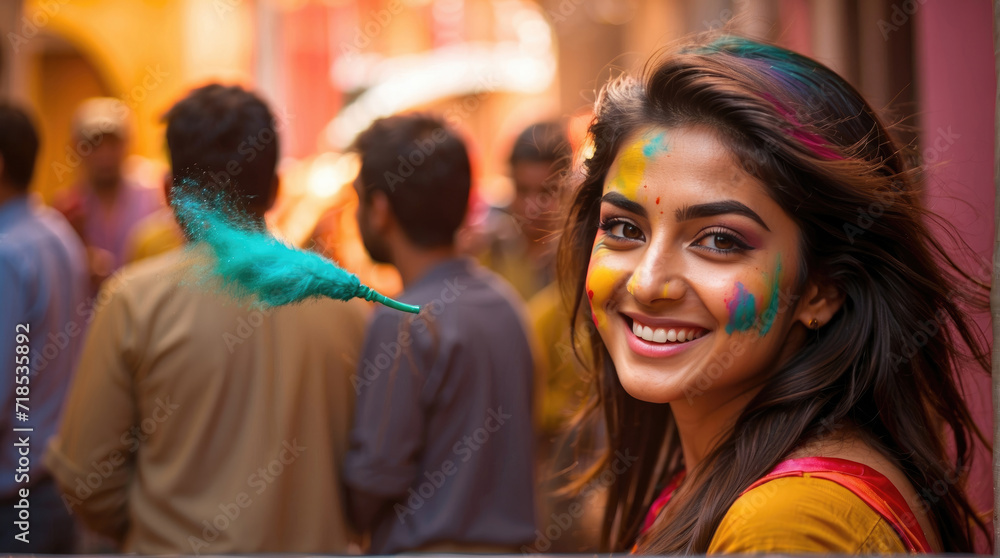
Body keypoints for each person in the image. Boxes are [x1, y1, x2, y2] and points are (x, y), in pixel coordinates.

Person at [557, 36, 990, 554]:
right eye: (625, 228)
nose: (648, 284)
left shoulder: (784, 526)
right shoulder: (725, 478)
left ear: (822, 288)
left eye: (719, 240)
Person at [45, 84, 369, 554]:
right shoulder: (347, 307)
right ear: (275, 189)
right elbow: (370, 476)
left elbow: (86, 478)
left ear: (170, 193)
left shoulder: (134, 303)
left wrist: (156, 526)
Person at [343, 113, 537, 554]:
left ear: (379, 210)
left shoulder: (402, 319)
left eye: (357, 199)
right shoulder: (505, 304)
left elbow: (374, 478)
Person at [0, 103, 88, 552]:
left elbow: (5, 385)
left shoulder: (8, 253)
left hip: (15, 496)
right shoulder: (55, 231)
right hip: (51, 477)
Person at [53, 98, 161, 288]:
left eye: (113, 144)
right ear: (76, 147)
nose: (105, 155)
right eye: (94, 145)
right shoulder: (67, 209)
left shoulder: (154, 196)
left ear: (128, 143)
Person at [478, 121, 570, 301]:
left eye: (546, 192)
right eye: (523, 191)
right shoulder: (490, 252)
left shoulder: (580, 261)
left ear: (567, 189)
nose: (532, 207)